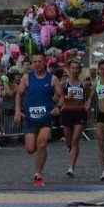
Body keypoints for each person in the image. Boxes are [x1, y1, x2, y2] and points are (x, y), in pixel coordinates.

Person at [15, 52, 61, 186]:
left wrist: (58, 106)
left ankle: (38, 174)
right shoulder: (26, 78)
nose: (37, 64)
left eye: (40, 61)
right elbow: (18, 94)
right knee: (30, 149)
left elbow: (62, 96)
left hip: (46, 118)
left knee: (42, 144)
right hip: (30, 118)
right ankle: (39, 157)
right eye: (34, 62)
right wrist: (18, 110)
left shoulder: (52, 79)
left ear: (44, 62)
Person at [59, 58, 88, 177]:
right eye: (73, 68)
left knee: (75, 140)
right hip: (67, 113)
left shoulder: (84, 84)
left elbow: (90, 95)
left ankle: (71, 167)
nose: (75, 70)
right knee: (69, 142)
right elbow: (56, 98)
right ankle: (69, 149)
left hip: (79, 113)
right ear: (70, 69)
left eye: (77, 68)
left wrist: (88, 103)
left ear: (80, 70)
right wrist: (66, 97)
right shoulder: (63, 83)